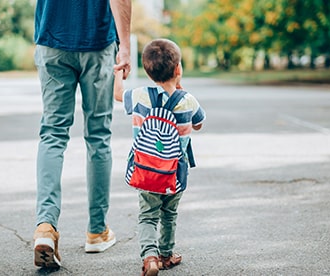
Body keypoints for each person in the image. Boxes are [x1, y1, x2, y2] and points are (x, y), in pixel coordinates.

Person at [32, 0, 132, 268]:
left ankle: (45, 227)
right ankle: (97, 232)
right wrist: (125, 46)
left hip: (52, 38)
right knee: (98, 136)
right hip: (96, 42)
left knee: (52, 134)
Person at [113, 39, 206, 276]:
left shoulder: (139, 95)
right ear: (178, 69)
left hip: (145, 170)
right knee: (169, 213)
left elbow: (117, 95)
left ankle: (150, 256)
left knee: (147, 214)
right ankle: (166, 254)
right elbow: (199, 124)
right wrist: (180, 88)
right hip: (175, 172)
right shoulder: (188, 100)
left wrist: (118, 72)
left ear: (147, 71)